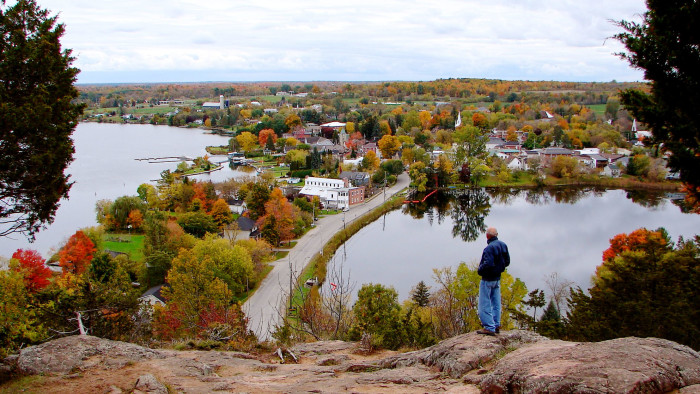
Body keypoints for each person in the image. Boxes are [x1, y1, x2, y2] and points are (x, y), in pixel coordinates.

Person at [476, 227, 510, 336]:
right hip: (497, 278)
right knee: (496, 303)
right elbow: (507, 261)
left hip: (487, 279)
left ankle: (489, 327)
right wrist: (499, 268)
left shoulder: (489, 249)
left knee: (484, 303)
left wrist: (480, 270)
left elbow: (488, 264)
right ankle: (496, 325)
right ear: (497, 235)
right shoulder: (503, 245)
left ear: (487, 236)